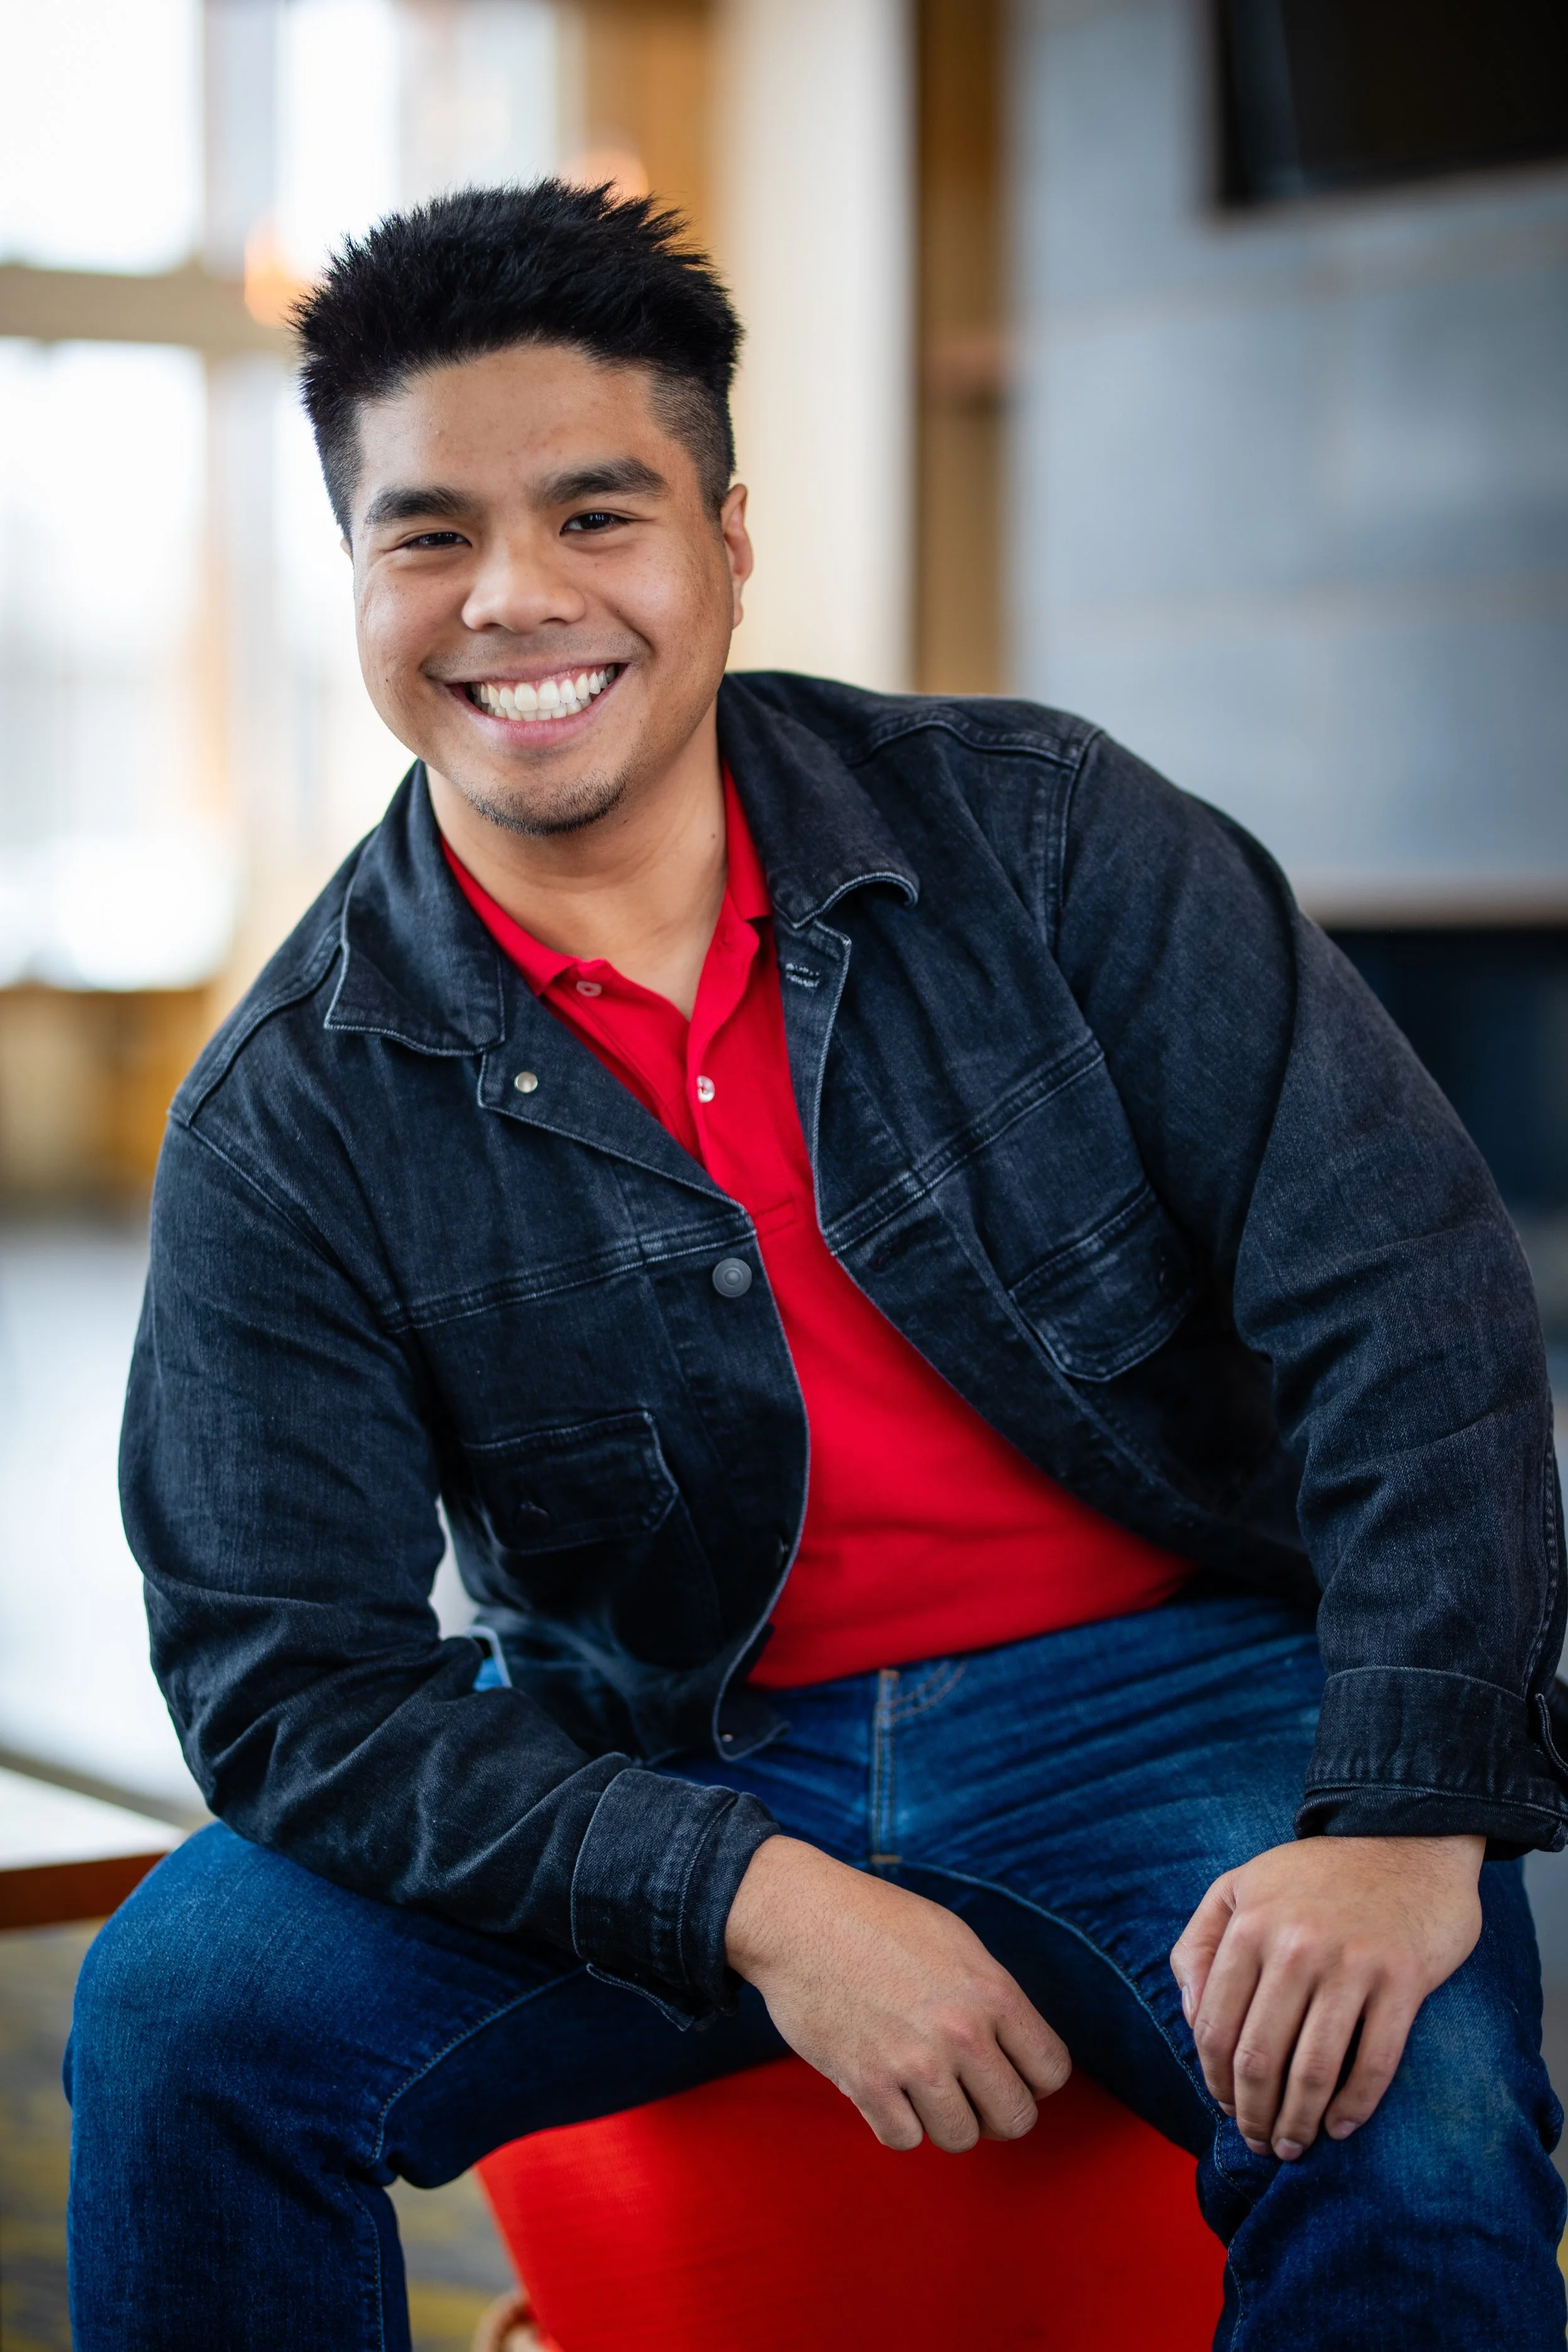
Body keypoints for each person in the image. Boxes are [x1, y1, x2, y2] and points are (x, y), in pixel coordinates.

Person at [66, 181, 1567, 2348]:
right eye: (428, 535)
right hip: (663, 1736)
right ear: (360, 581)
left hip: (1169, 1684)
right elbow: (286, 1680)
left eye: (596, 513)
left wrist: (1410, 1808)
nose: (513, 596)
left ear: (727, 539)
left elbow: (1402, 1289)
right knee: (185, 2014)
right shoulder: (292, 1099)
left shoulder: (1045, 835)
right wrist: (747, 1897)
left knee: (1414, 2107)